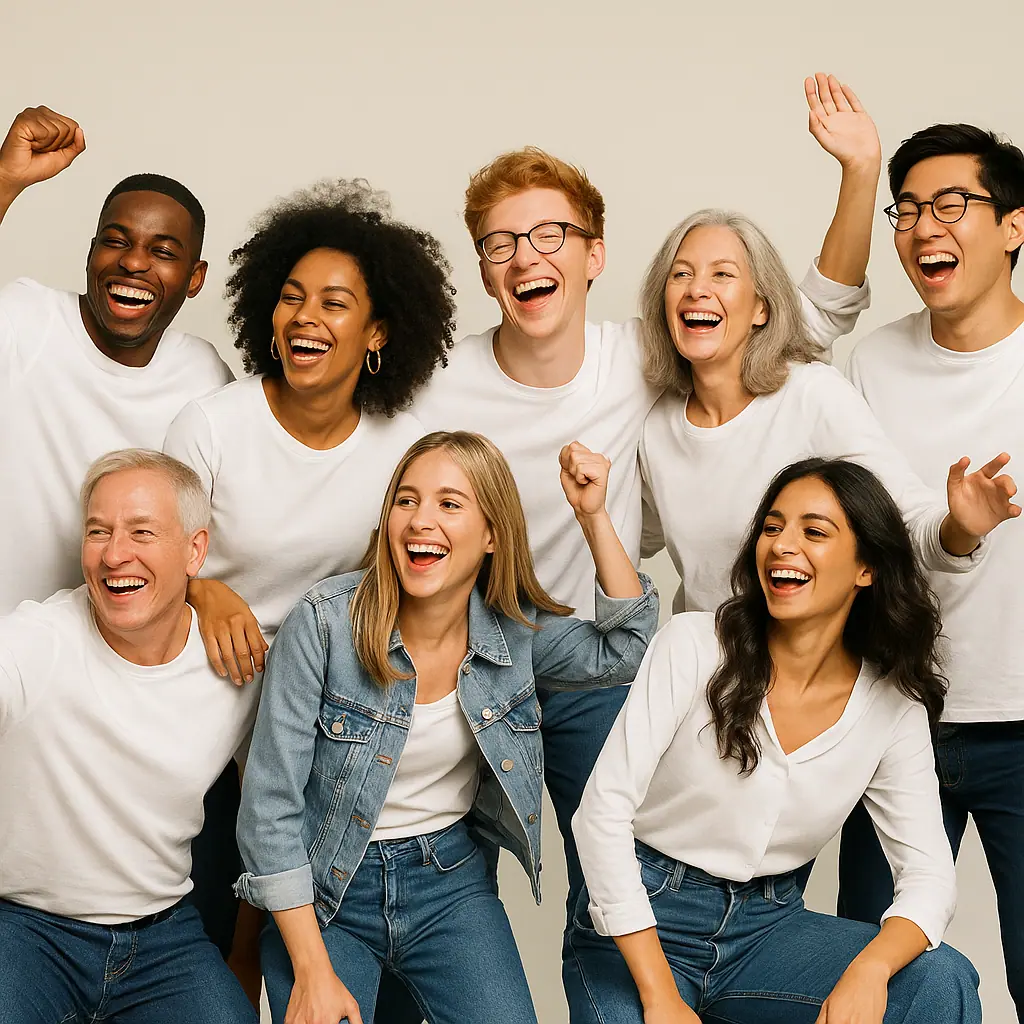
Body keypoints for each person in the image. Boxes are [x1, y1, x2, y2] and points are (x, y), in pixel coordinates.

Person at [407, 73, 877, 1005]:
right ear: (482, 266)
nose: (524, 257)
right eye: (499, 243)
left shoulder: (645, 360)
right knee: (422, 879)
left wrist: (859, 172)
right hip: (468, 664)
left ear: (594, 255)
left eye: (549, 235)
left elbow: (800, 319)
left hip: (596, 666)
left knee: (611, 883)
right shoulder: (439, 379)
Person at [234, 431, 658, 1024]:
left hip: (448, 883)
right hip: (328, 891)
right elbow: (268, 808)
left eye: (449, 504)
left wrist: (593, 517)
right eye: (406, 501)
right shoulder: (325, 623)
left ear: (490, 535)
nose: (420, 521)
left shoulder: (514, 631)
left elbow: (628, 649)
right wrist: (311, 970)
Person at [570, 457, 982, 1024]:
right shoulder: (693, 645)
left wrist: (870, 969)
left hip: (768, 930)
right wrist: (660, 996)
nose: (783, 544)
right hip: (643, 920)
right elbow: (600, 815)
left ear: (866, 568)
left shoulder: (892, 705)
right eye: (772, 526)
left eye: (814, 532)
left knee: (939, 978)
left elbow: (930, 875)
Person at [840, 124, 1024, 1019]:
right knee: (883, 980)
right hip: (897, 716)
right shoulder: (871, 362)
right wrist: (952, 534)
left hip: (1023, 719)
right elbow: (872, 544)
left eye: (951, 205)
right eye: (906, 209)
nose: (922, 228)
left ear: (1015, 227)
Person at [637, 205, 1019, 617]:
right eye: (681, 274)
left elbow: (903, 517)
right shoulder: (657, 427)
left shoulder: (811, 395)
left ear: (760, 309)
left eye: (723, 274)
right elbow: (637, 538)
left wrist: (959, 528)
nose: (697, 289)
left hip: (808, 670)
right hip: (707, 666)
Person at [0, 450, 259, 1024]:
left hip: (164, 938)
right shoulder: (38, 642)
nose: (115, 554)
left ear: (196, 550)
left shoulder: (237, 665)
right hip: (25, 930)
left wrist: (248, 953)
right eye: (99, 532)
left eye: (142, 531)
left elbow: (281, 808)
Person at [0, 105, 232, 616]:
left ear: (195, 279)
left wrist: (210, 592)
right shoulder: (26, 319)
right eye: (116, 242)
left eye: (163, 251)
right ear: (90, 253)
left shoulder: (205, 375)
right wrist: (5, 180)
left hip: (110, 658)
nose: (133, 262)